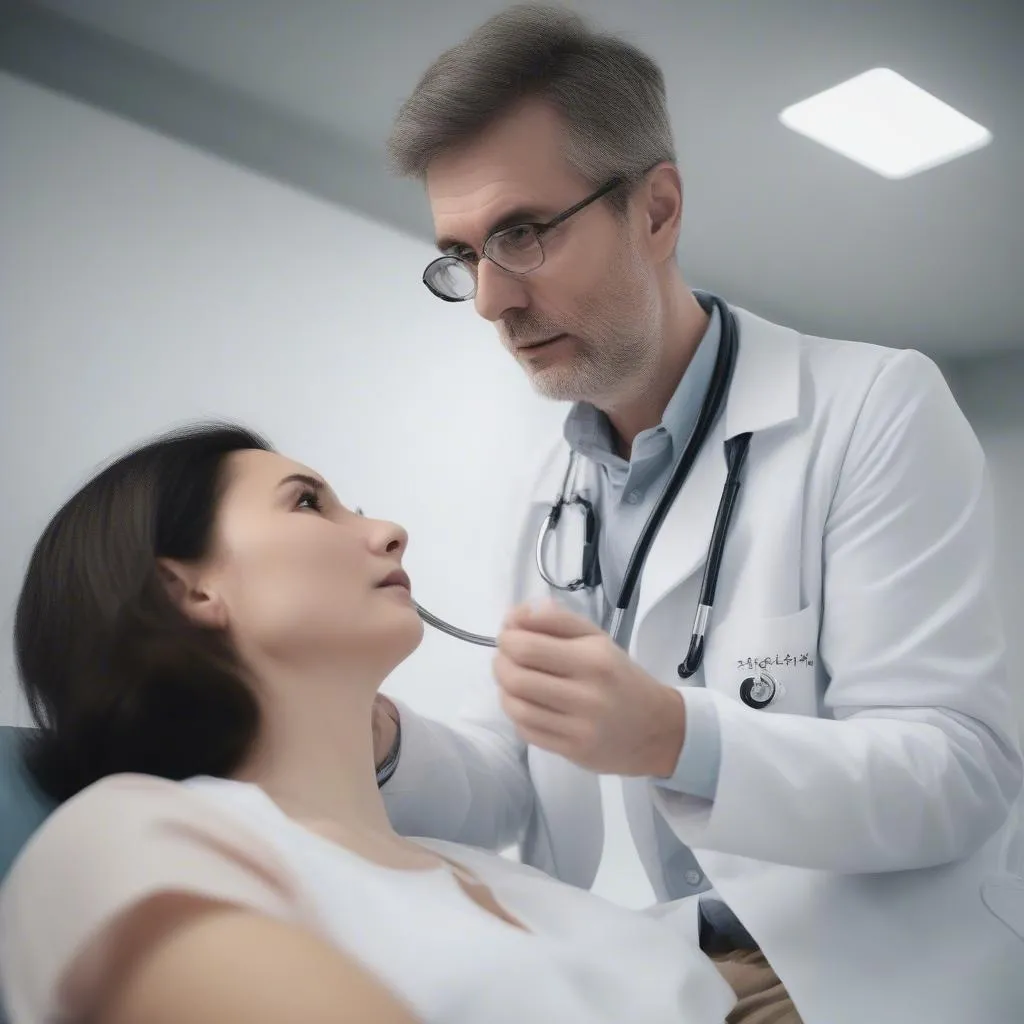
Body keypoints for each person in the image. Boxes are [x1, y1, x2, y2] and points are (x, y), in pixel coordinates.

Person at [370, 5, 1024, 1023]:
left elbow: (958, 769)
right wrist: (377, 739)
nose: (492, 299)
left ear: (657, 210)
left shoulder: (871, 407)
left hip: (857, 968)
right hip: (651, 966)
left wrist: (679, 736)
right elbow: (518, 767)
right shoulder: (551, 488)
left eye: (522, 233)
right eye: (462, 254)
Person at [0, 423, 738, 1024]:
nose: (389, 532)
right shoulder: (122, 835)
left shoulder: (488, 874)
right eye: (307, 503)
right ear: (186, 586)